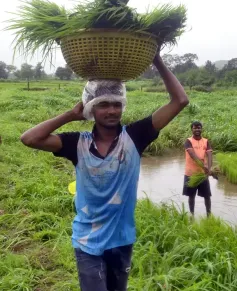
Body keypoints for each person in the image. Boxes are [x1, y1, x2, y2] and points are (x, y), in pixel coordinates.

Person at [20, 52, 189, 291]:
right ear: (91, 108)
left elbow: (179, 101)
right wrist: (70, 115)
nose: (111, 110)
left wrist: (157, 60)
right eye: (102, 104)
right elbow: (29, 138)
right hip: (87, 241)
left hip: (122, 240)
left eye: (116, 104)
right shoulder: (76, 143)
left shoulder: (135, 137)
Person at [183, 121, 213, 217]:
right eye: (195, 128)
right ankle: (192, 215)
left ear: (201, 129)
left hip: (202, 174)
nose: (197, 129)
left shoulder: (206, 141)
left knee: (207, 196)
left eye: (199, 127)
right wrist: (203, 166)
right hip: (190, 174)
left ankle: (209, 215)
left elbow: (209, 155)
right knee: (191, 196)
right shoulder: (188, 141)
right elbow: (192, 155)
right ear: (192, 129)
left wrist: (208, 168)